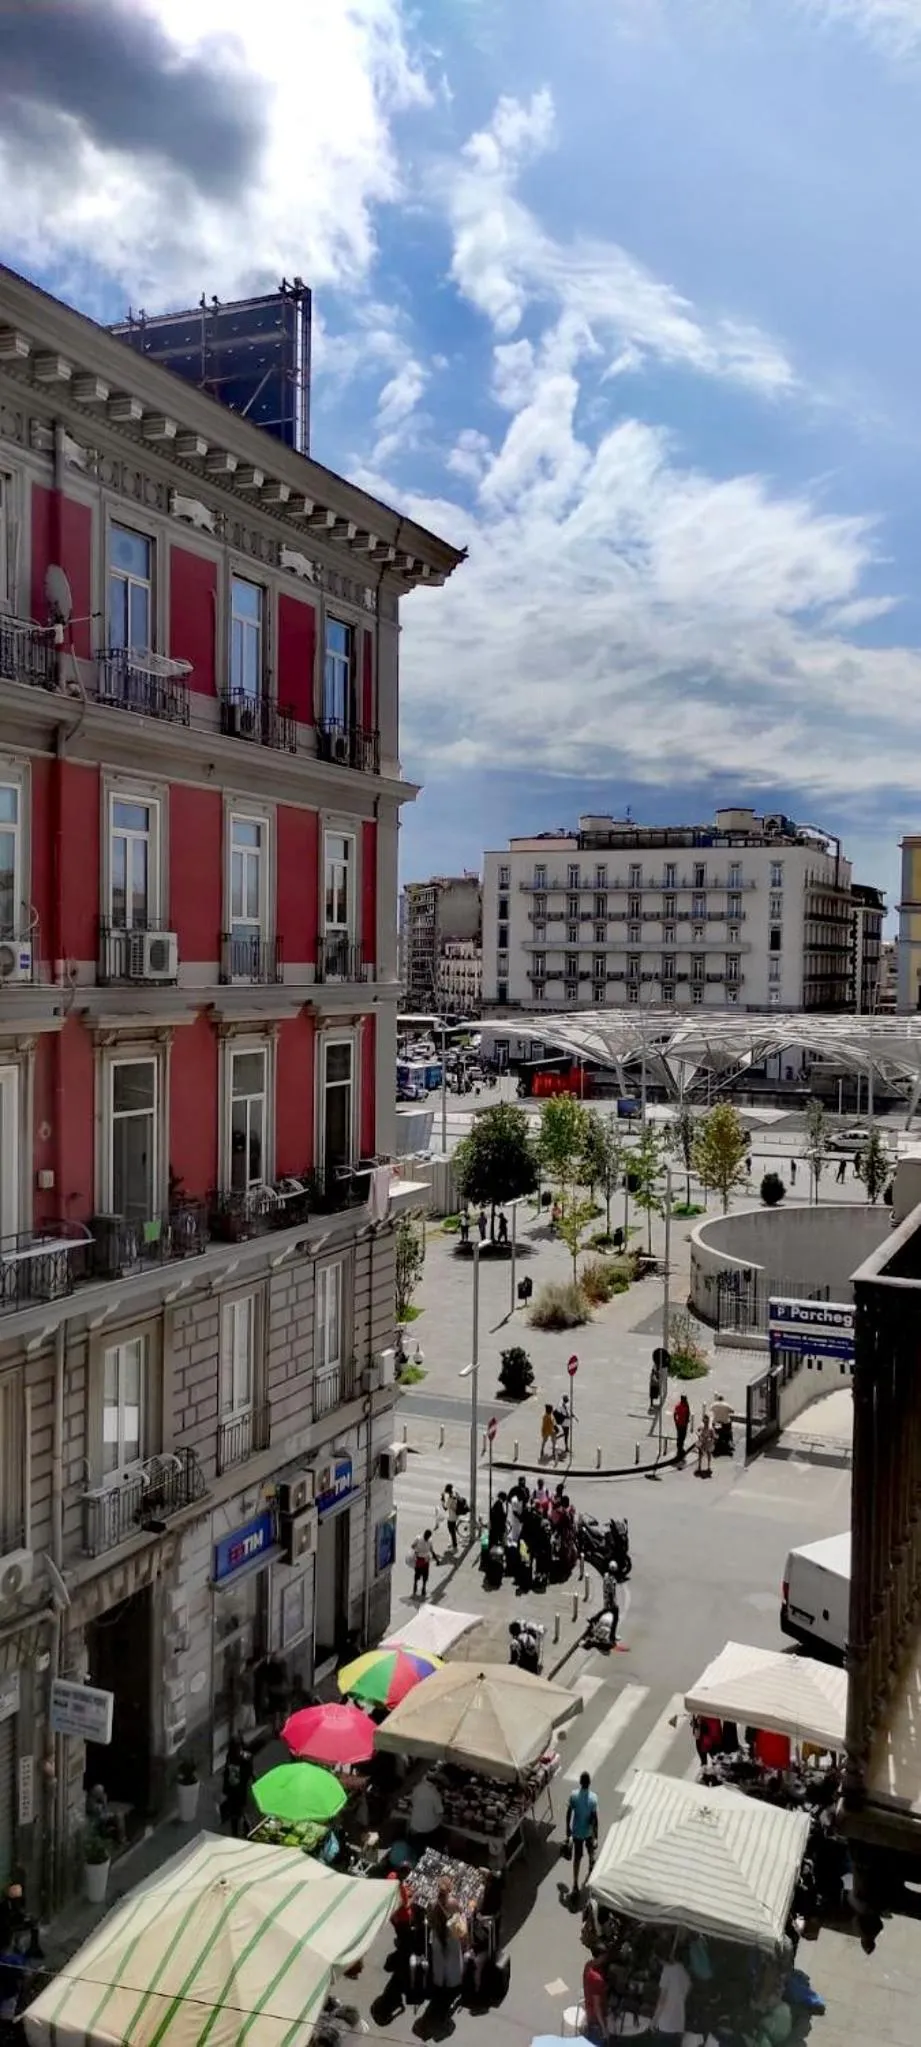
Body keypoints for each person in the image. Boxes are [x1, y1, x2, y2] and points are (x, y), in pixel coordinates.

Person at [427, 1877, 466, 2000]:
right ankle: (453, 1983)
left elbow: (430, 1920)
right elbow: (461, 1911)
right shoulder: (453, 1902)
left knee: (439, 1961)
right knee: (453, 1962)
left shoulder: (431, 1904)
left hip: (438, 1937)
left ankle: (439, 1982)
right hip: (451, 1937)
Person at [566, 1771, 599, 1901]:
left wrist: (567, 1828)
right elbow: (595, 1819)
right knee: (591, 1850)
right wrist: (596, 1836)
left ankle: (575, 1884)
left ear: (580, 1782)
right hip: (589, 1832)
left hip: (577, 1833)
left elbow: (568, 1813)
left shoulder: (573, 1796)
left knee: (577, 1858)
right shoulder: (593, 1798)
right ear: (589, 1783)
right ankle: (591, 1864)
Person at [652, 1946, 691, 2042]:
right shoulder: (682, 1969)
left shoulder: (667, 1971)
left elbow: (662, 1999)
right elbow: (689, 1987)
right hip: (679, 2021)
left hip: (666, 2022)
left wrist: (654, 2020)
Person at [221, 1736, 253, 1837]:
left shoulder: (245, 1758)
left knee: (240, 1811)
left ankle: (247, 1827)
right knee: (234, 1813)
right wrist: (225, 1785)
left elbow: (248, 1774)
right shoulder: (230, 1756)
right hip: (232, 1789)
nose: (236, 1751)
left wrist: (240, 1780)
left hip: (240, 1790)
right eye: (234, 1748)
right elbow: (227, 1771)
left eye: (237, 1748)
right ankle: (236, 1832)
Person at [408, 1773, 443, 1849]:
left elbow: (412, 1802)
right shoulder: (435, 1793)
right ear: (436, 1783)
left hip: (415, 1825)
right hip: (429, 1828)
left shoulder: (417, 1788)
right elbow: (440, 1811)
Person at [411, 1529, 434, 1597]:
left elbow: (432, 1550)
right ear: (424, 1534)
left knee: (424, 1574)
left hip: (425, 1559)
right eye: (426, 1536)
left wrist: (436, 1558)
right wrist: (416, 1551)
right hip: (420, 1559)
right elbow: (412, 1546)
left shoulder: (429, 1541)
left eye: (428, 1536)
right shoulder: (418, 1538)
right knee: (419, 1573)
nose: (427, 1538)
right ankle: (416, 1585)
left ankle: (422, 1587)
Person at [442, 1484, 462, 1551]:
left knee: (451, 1530)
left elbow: (445, 1508)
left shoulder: (450, 1498)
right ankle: (453, 1543)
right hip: (456, 1514)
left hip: (452, 1517)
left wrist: (442, 1501)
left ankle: (455, 1546)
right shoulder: (455, 1492)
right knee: (452, 1529)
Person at [673, 1391, 691, 1465]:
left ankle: (679, 1448)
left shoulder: (678, 1406)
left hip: (679, 1424)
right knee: (682, 1436)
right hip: (683, 1424)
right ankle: (680, 1449)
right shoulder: (685, 1406)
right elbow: (688, 1415)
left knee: (679, 1436)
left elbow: (675, 1414)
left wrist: (676, 1421)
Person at [696, 1410, 714, 1478]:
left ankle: (707, 1466)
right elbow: (697, 1431)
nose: (705, 1422)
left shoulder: (710, 1428)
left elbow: (713, 1436)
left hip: (706, 1442)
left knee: (707, 1453)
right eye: (705, 1420)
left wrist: (710, 1439)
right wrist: (699, 1435)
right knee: (701, 1453)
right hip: (703, 1441)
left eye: (706, 1420)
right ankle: (701, 1466)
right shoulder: (703, 1427)